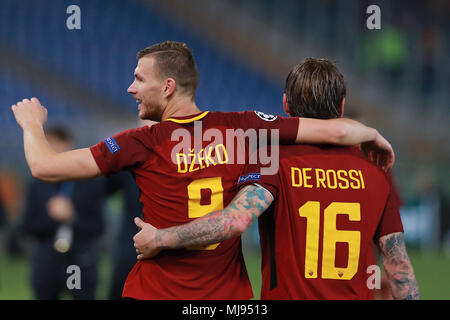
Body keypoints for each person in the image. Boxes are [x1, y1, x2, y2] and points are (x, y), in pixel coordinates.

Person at [12, 41, 394, 299]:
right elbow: (337, 128)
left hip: (155, 292)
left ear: (167, 87)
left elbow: (45, 167)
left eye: (139, 79)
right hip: (227, 296)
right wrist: (375, 135)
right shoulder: (242, 126)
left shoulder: (140, 143)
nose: (130, 88)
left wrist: (32, 124)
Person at [133, 58, 420, 300]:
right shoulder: (375, 171)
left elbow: (235, 221)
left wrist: (161, 237)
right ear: (342, 107)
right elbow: (399, 268)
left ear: (285, 104)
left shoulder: (273, 160)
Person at [21, 125, 108, 300]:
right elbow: (28, 226)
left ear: (69, 145)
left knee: (82, 294)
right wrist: (51, 216)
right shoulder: (37, 184)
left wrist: (72, 217)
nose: (51, 149)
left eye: (56, 143)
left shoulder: (89, 181)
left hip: (79, 258)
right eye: (47, 144)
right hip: (47, 259)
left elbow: (98, 226)